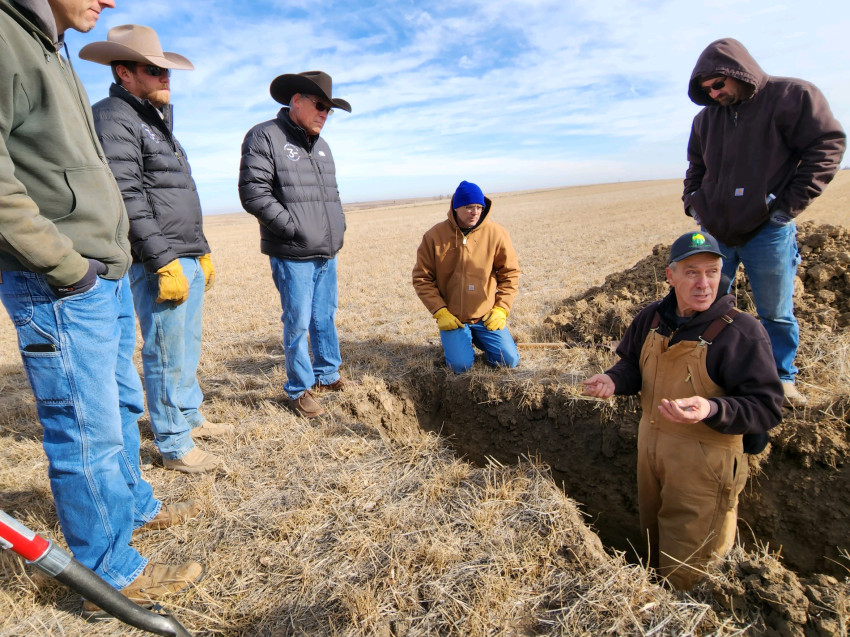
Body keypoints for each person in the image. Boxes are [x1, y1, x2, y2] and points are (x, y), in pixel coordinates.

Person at [0, 0, 202, 618]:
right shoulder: (5, 37)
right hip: (60, 281)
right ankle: (109, 579)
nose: (109, 0)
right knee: (86, 432)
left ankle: (131, 508)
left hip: (99, 273)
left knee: (116, 409)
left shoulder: (46, 45)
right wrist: (68, 267)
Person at [583, 231, 783, 591]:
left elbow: (766, 407)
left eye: (712, 272)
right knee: (654, 542)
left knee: (690, 570)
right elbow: (632, 365)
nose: (704, 283)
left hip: (704, 468)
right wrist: (613, 380)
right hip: (652, 455)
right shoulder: (652, 318)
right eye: (692, 273)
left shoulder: (741, 332)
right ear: (670, 276)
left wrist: (711, 407)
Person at [80, 24, 232, 474]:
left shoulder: (155, 119)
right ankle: (174, 443)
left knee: (186, 343)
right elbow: (128, 195)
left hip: (184, 249)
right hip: (158, 257)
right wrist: (163, 260)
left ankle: (188, 414)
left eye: (166, 70)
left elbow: (178, 191)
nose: (166, 77)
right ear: (124, 73)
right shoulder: (113, 117)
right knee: (164, 350)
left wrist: (200, 249)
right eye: (154, 69)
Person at [683, 37, 846, 407]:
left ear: (738, 72)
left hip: (767, 232)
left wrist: (785, 209)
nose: (714, 94)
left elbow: (828, 146)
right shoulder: (705, 120)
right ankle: (711, 374)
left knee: (775, 311)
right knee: (706, 306)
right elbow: (695, 167)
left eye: (718, 84)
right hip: (716, 234)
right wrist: (695, 207)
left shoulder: (792, 96)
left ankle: (781, 378)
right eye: (707, 90)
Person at [239, 70, 351, 419]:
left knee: (324, 315)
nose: (324, 114)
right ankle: (299, 389)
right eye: (320, 105)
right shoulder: (265, 136)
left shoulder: (323, 147)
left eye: (329, 109)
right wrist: (293, 230)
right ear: (297, 100)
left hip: (326, 250)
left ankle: (327, 374)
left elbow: (332, 195)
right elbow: (253, 193)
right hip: (292, 252)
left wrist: (338, 228)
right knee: (298, 321)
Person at [413, 181, 521, 373]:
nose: (475, 212)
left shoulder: (496, 234)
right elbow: (422, 278)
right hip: (454, 318)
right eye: (469, 207)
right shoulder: (434, 236)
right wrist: (440, 311)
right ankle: (460, 341)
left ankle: (479, 339)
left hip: (486, 316)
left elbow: (510, 273)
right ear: (456, 207)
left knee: (509, 360)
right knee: (460, 366)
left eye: (479, 207)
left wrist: (501, 309)